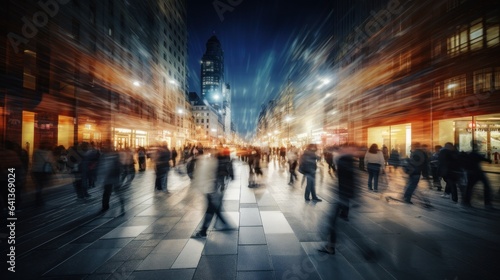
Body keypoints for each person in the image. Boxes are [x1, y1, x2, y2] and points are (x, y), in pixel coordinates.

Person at [318, 145, 359, 255]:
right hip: (344, 196)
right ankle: (330, 246)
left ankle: (331, 247)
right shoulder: (348, 160)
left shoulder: (344, 160)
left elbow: (348, 180)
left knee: (332, 223)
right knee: (333, 223)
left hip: (342, 196)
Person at [193, 147, 234, 238]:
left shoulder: (214, 161)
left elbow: (216, 175)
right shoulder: (213, 161)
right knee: (213, 208)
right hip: (212, 189)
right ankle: (223, 224)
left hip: (212, 189)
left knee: (212, 208)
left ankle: (204, 230)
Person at [462, 141, 493, 209]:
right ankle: (487, 203)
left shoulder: (469, 153)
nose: (480, 146)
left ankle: (466, 202)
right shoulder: (475, 153)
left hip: (471, 173)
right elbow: (485, 160)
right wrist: (488, 160)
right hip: (477, 172)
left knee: (470, 187)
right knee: (486, 186)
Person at [97, 141, 123, 212]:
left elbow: (118, 165)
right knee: (108, 191)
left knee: (115, 190)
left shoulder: (115, 154)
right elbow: (101, 165)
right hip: (108, 176)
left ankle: (121, 203)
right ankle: (105, 205)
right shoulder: (103, 155)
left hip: (113, 175)